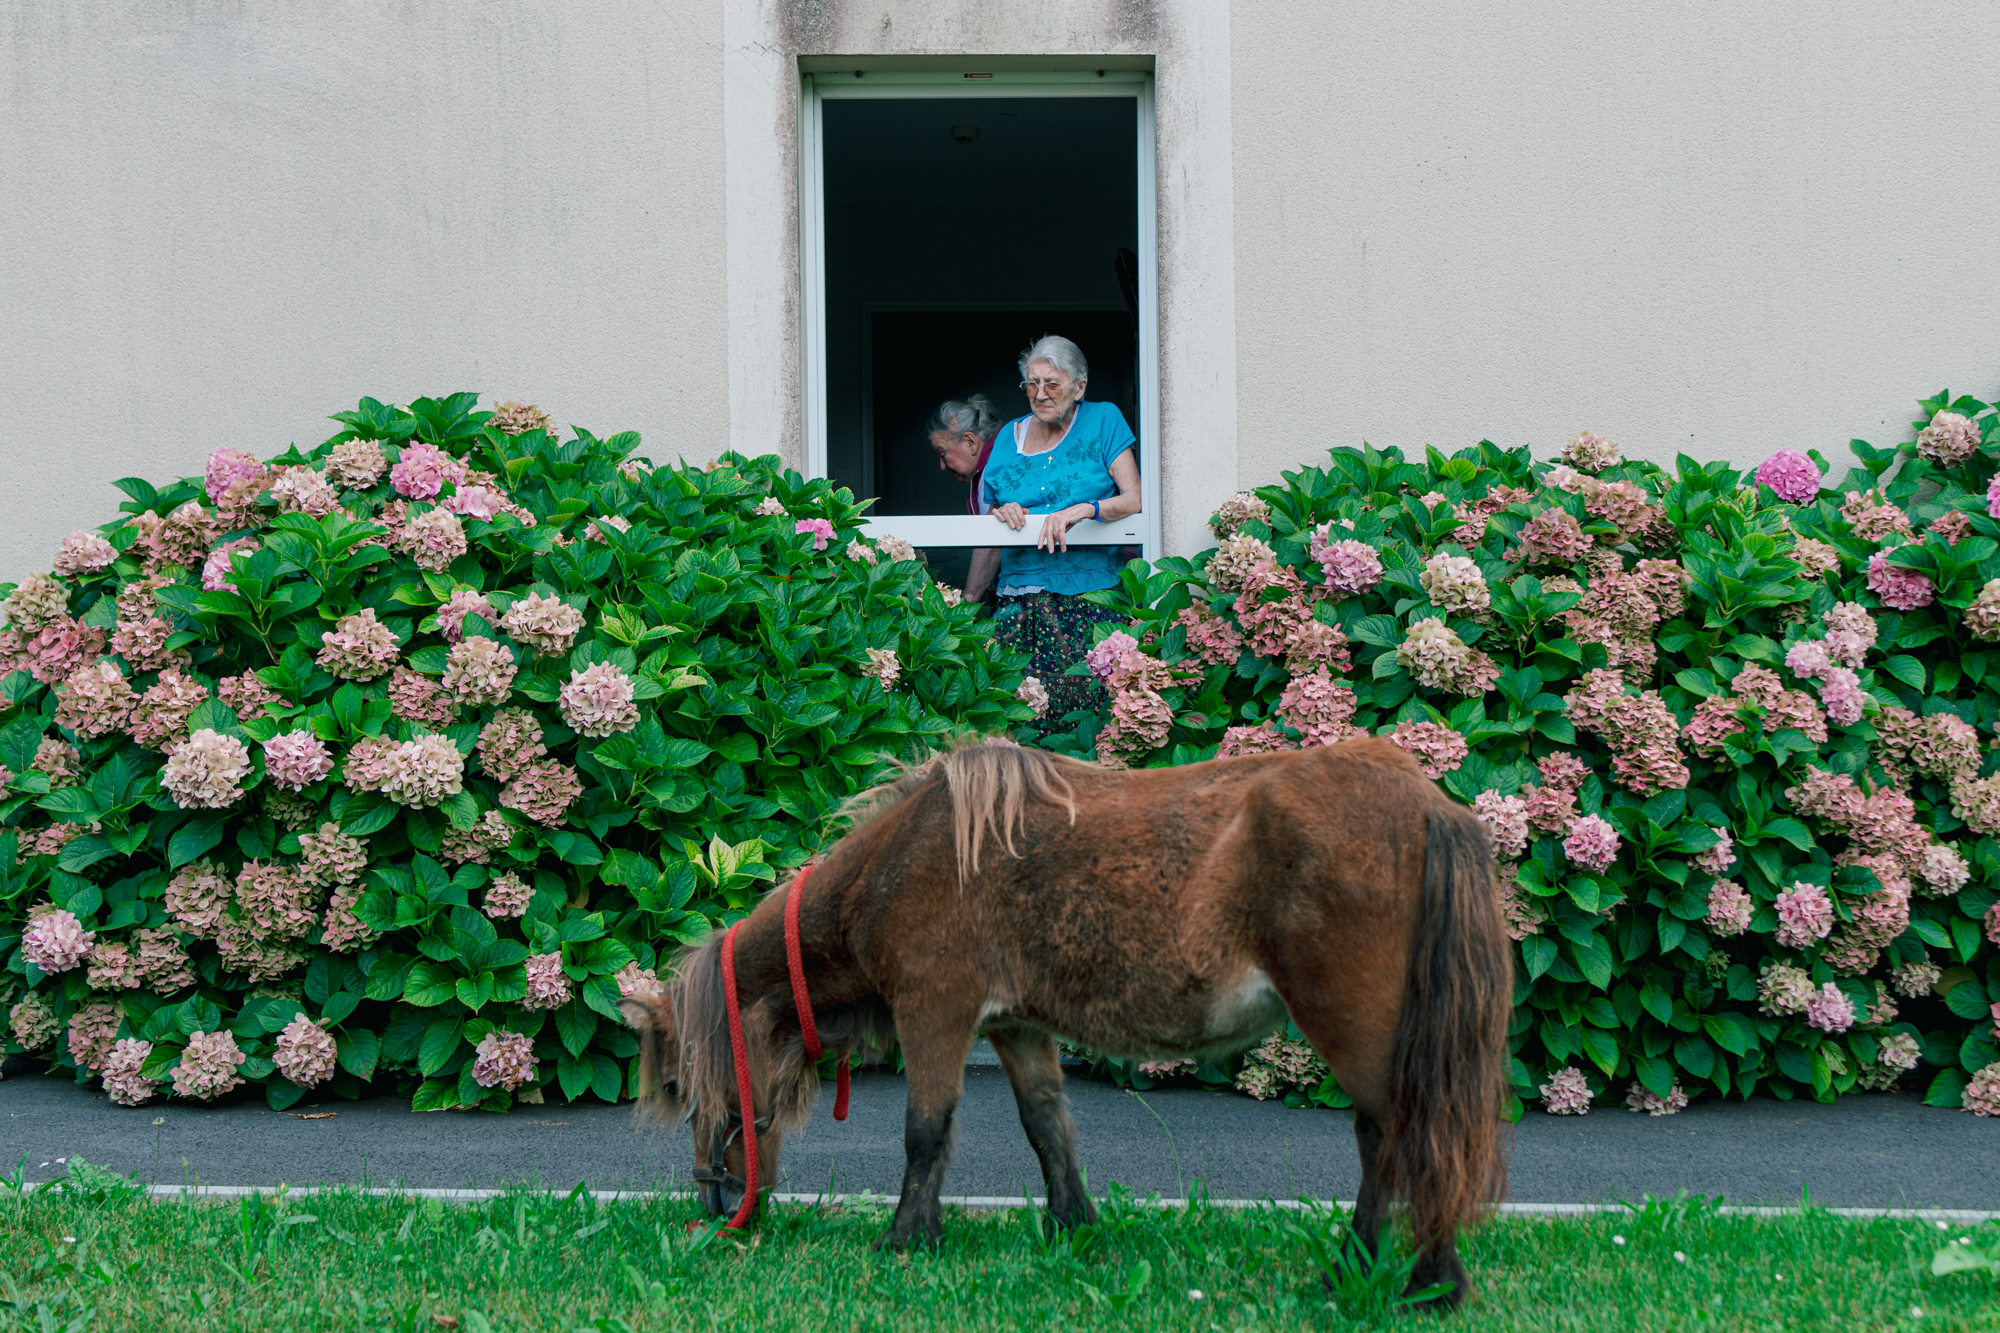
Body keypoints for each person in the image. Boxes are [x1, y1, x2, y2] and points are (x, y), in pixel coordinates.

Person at [979, 334, 1142, 737]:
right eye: (1031, 384)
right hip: (1018, 601)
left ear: (1079, 386)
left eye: (1052, 383)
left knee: (1086, 715)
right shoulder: (1008, 435)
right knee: (1018, 717)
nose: (1040, 393)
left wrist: (1087, 509)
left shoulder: (1103, 420)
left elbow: (1134, 500)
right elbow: (988, 512)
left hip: (1087, 599)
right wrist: (1003, 511)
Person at [927, 395, 1004, 604]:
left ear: (970, 442)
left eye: (942, 453)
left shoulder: (993, 469)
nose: (942, 466)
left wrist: (966, 606)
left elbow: (991, 544)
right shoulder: (993, 462)